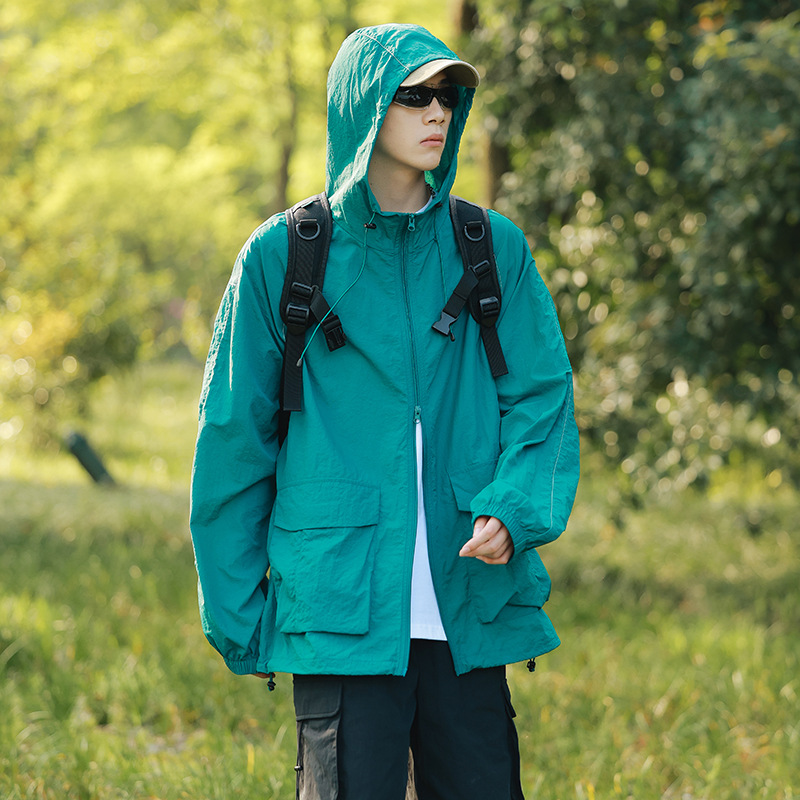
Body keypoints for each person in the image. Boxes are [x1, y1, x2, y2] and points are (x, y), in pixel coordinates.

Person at [190, 23, 579, 800]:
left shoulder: (492, 248)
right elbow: (235, 439)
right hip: (339, 612)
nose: (437, 112)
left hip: (469, 603)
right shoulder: (281, 256)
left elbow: (543, 399)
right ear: (363, 105)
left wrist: (514, 509)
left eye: (447, 96)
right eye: (413, 96)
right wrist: (238, 613)